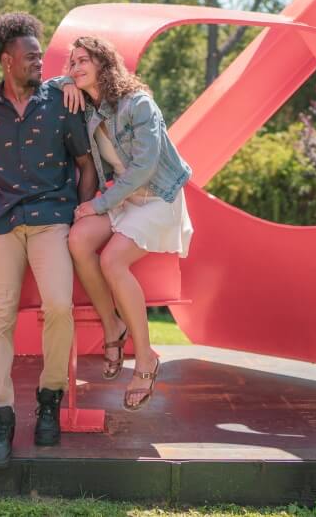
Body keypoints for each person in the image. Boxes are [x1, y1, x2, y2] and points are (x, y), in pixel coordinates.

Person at [0, 13, 97, 469]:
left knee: (58, 305)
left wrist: (83, 215)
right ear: (6, 60)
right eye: (31, 55)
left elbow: (86, 164)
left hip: (52, 219)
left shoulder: (60, 101)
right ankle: (0, 417)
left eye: (41, 55)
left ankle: (50, 399)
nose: (39, 61)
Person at [48, 35, 193, 411]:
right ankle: (112, 327)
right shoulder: (88, 106)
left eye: (84, 61)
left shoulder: (138, 104)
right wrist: (65, 83)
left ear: (103, 64)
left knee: (112, 260)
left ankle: (145, 359)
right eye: (72, 62)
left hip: (159, 198)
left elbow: (145, 167)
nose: (76, 68)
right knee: (78, 240)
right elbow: (45, 86)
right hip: (125, 198)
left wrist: (99, 203)